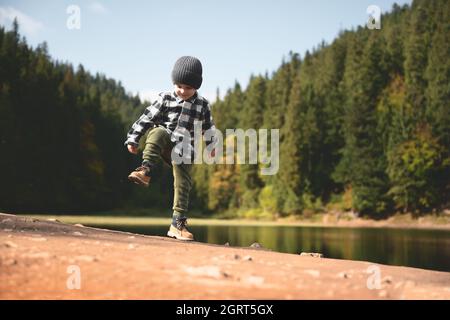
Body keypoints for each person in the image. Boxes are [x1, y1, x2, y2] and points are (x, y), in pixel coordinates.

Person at [124, 56, 217, 241]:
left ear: (197, 87)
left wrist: (211, 145)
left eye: (189, 88)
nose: (183, 91)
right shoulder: (165, 98)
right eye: (179, 86)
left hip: (184, 148)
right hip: (165, 141)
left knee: (183, 183)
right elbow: (146, 118)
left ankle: (178, 224)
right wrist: (133, 138)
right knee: (157, 131)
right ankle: (145, 169)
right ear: (174, 82)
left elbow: (208, 127)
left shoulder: (203, 104)